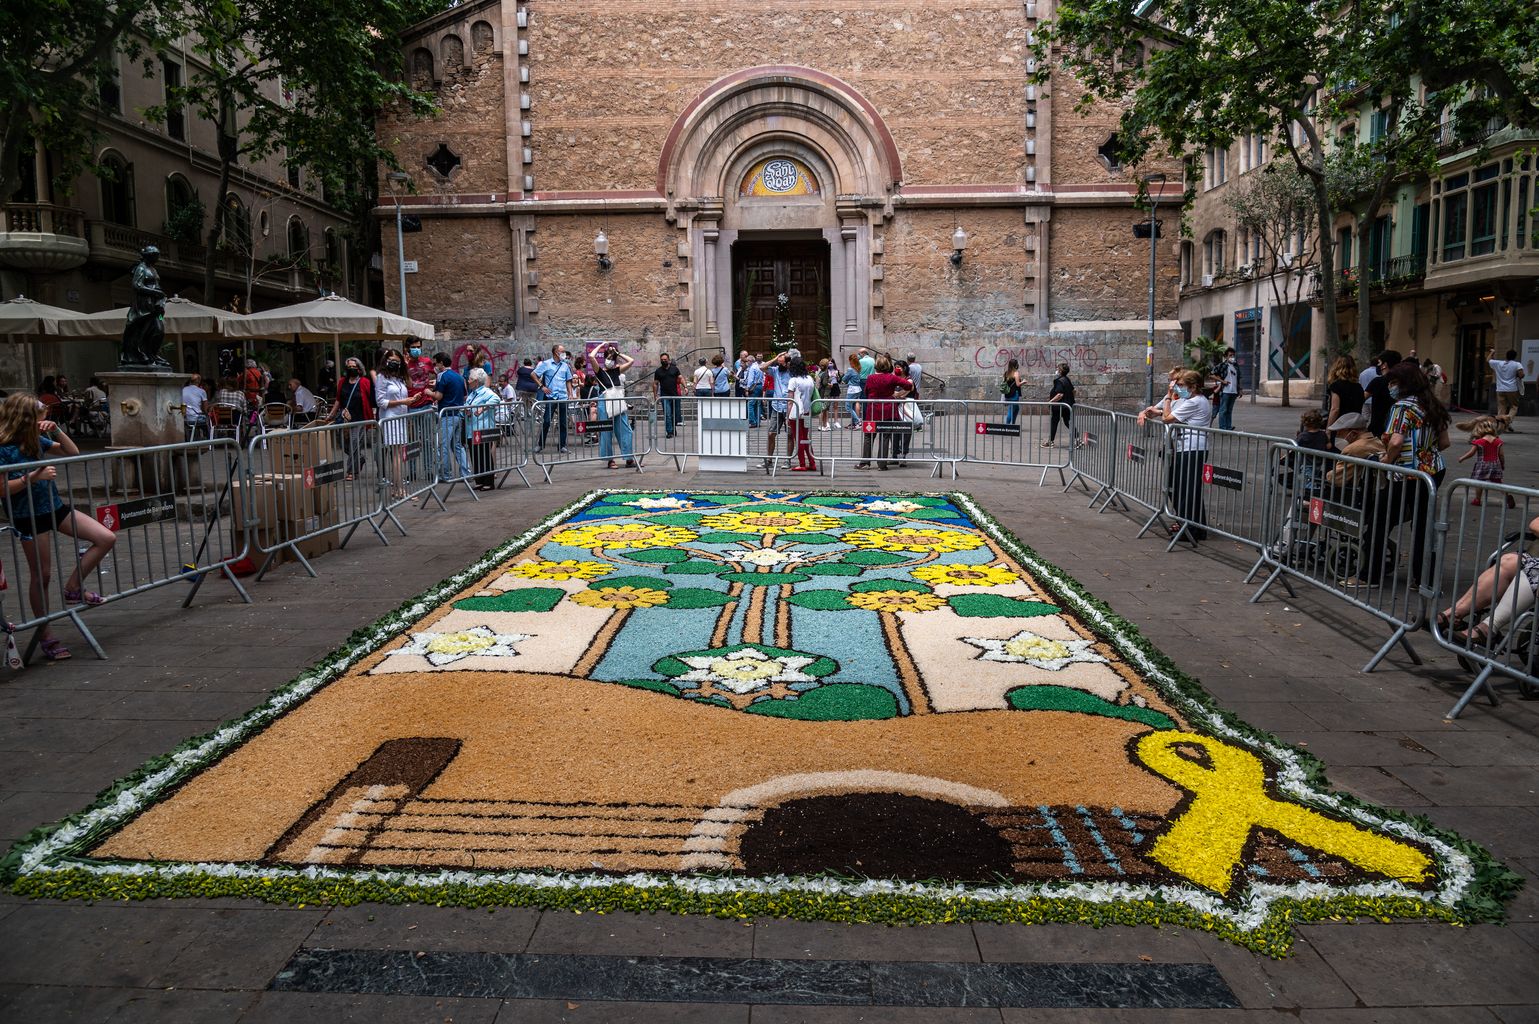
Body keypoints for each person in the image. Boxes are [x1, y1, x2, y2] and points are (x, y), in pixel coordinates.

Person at [0, 394, 117, 660]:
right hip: (27, 515)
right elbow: (2, 489)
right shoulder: (4, 447)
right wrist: (34, 476)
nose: (45, 419)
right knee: (42, 575)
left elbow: (72, 452)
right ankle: (46, 634)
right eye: (42, 416)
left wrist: (58, 430)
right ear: (26, 418)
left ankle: (74, 587)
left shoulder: (36, 440)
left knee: (105, 537)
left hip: (54, 507)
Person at [1370, 361, 1450, 588]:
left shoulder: (1402, 407)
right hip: (1434, 470)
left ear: (1404, 384)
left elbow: (1395, 441)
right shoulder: (1433, 405)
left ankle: (1371, 573)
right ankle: (1423, 577)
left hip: (1406, 473)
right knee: (1424, 525)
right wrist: (1424, 451)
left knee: (1380, 520)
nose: (1390, 387)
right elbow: (1444, 442)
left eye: (1393, 382)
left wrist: (1387, 460)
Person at [1160, 369, 1212, 541]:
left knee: (1187, 488)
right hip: (1188, 448)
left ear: (1193, 386)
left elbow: (1167, 418)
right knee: (1187, 487)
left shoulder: (1195, 402)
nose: (1178, 389)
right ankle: (1198, 527)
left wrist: (1168, 397)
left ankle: (1190, 527)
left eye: (1181, 385)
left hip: (1192, 448)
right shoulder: (1195, 400)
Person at [322, 356, 376, 480]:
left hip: (360, 418)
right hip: (344, 418)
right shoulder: (342, 381)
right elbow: (338, 400)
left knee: (354, 444)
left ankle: (352, 471)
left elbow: (371, 400)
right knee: (344, 444)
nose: (351, 369)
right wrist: (331, 415)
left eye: (354, 367)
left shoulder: (365, 382)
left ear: (359, 369)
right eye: (349, 367)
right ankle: (360, 459)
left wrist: (373, 415)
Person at [856, 354, 909, 470]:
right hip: (888, 411)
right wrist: (896, 394)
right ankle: (882, 464)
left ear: (876, 366)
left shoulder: (870, 378)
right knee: (885, 437)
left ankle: (865, 462)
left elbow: (866, 391)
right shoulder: (892, 378)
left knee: (868, 436)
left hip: (872, 411)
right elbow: (908, 385)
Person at [424, 352, 470, 483]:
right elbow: (464, 395)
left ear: (441, 363)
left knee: (443, 445)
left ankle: (446, 474)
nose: (435, 366)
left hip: (446, 414)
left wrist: (429, 392)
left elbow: (438, 396)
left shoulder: (441, 376)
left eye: (436, 363)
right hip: (457, 414)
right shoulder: (459, 376)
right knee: (457, 445)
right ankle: (465, 472)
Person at [373, 351, 412, 499]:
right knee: (396, 455)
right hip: (390, 419)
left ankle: (397, 488)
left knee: (399, 454)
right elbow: (380, 402)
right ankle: (398, 488)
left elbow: (410, 384)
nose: (393, 362)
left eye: (396, 360)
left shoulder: (398, 378)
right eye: (390, 360)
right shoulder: (382, 377)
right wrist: (403, 402)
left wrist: (405, 368)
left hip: (401, 417)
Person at [591, 345, 636, 469]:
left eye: (612, 358)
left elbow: (631, 361)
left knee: (626, 430)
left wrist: (618, 353)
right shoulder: (599, 372)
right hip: (604, 402)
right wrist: (601, 345)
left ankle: (629, 458)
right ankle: (610, 460)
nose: (611, 359)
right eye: (609, 357)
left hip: (617, 400)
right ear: (605, 359)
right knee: (606, 431)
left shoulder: (617, 371)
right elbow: (591, 356)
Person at [1456, 416, 1514, 507]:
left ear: (1480, 430)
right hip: (1496, 465)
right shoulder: (1498, 441)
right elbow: (1501, 455)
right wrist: (1502, 464)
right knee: (1498, 482)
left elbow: (1471, 453)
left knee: (1479, 482)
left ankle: (1477, 499)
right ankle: (1507, 496)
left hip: (1482, 465)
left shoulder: (1479, 441)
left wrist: (1462, 458)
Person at [464, 367, 501, 489]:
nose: (468, 381)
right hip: (471, 428)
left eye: (470, 379)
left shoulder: (486, 392)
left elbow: (496, 399)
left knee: (484, 455)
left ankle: (488, 481)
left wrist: (483, 407)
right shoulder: (472, 394)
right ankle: (479, 480)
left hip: (482, 428)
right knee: (475, 455)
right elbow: (466, 406)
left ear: (476, 381)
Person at [534, 344, 574, 453]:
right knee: (546, 420)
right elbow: (533, 374)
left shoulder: (565, 366)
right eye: (562, 351)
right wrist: (542, 387)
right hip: (551, 397)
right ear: (556, 352)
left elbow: (568, 380)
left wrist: (570, 394)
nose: (564, 353)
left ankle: (562, 445)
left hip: (562, 397)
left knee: (563, 422)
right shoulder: (546, 364)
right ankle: (540, 444)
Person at [785, 355, 818, 472]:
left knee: (798, 438)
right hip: (807, 412)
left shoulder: (793, 380)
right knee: (806, 438)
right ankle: (812, 462)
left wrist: (787, 416)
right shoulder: (809, 378)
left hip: (796, 413)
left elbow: (790, 401)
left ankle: (802, 464)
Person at [760, 353, 790, 470]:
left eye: (781, 361)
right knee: (771, 433)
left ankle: (787, 460)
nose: (779, 363)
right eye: (778, 361)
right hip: (777, 407)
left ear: (787, 362)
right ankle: (769, 460)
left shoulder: (792, 372)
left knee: (790, 435)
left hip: (789, 406)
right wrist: (775, 358)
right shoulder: (775, 370)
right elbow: (762, 367)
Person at [1363, 349, 1402, 438]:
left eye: (1379, 363)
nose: (1378, 365)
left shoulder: (1377, 382)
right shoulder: (1403, 382)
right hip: (1396, 428)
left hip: (1377, 428)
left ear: (1385, 365)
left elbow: (1362, 398)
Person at [1325, 355, 1365, 432]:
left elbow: (1335, 409)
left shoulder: (1336, 386)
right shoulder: (1358, 387)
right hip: (1355, 425)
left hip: (1340, 426)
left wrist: (1328, 429)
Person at [1490, 349, 1526, 430]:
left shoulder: (1498, 363)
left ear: (1506, 355)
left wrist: (1492, 353)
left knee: (1501, 407)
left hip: (1500, 389)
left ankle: (1499, 425)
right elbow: (1521, 375)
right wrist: (1519, 375)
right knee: (1514, 406)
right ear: (1515, 357)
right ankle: (1507, 422)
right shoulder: (1517, 364)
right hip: (1512, 389)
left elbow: (1489, 360)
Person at [1044, 362, 1075, 448]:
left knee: (1054, 422)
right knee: (1067, 422)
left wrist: (1050, 401)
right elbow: (1073, 391)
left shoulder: (1059, 381)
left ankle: (1051, 442)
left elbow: (1060, 394)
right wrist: (1070, 399)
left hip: (1059, 406)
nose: (1056, 370)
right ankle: (1077, 439)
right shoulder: (1067, 379)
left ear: (1060, 371)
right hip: (1067, 405)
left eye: (1058, 369)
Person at [653, 351, 682, 438]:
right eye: (662, 360)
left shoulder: (675, 369)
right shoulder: (658, 371)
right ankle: (669, 432)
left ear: (669, 360)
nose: (663, 361)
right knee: (668, 414)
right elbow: (655, 383)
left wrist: (684, 386)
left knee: (675, 414)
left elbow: (680, 378)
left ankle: (673, 428)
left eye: (665, 359)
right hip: (664, 396)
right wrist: (655, 395)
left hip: (674, 395)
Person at [1213, 347, 1240, 430]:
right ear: (1226, 356)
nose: (1232, 357)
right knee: (1223, 410)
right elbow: (1212, 374)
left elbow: (1238, 378)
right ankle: (1222, 427)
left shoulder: (1235, 366)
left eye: (1233, 355)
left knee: (1229, 410)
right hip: (1225, 391)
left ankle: (1228, 426)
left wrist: (1240, 390)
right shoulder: (1222, 365)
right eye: (1230, 355)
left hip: (1234, 391)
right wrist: (1222, 381)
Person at [403, 340, 436, 410]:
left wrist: (436, 383)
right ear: (407, 349)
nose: (416, 349)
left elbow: (437, 373)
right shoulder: (403, 364)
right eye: (413, 347)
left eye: (418, 347)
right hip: (412, 404)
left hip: (427, 402)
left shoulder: (427, 361)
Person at [842, 352, 864, 429]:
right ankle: (854, 423)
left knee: (848, 407)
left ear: (851, 361)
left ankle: (858, 422)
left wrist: (843, 379)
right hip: (858, 389)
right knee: (853, 406)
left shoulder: (850, 370)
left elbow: (844, 379)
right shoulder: (858, 368)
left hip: (852, 390)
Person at [817, 358, 840, 430]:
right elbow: (824, 383)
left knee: (824, 409)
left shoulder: (820, 373)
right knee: (824, 409)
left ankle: (824, 425)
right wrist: (829, 385)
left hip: (821, 392)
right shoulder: (825, 373)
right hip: (825, 393)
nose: (830, 364)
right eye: (829, 363)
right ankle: (822, 425)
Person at [742, 354, 764, 428]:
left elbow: (750, 380)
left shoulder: (752, 368)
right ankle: (758, 421)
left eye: (747, 361)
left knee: (750, 405)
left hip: (754, 387)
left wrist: (747, 389)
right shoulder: (759, 367)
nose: (746, 363)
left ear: (750, 361)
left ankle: (752, 421)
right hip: (760, 386)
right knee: (758, 404)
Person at [1000, 358, 1022, 425]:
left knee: (1016, 409)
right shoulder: (1016, 373)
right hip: (1014, 395)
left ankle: (1013, 424)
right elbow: (1018, 384)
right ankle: (1007, 426)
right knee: (1011, 410)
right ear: (1016, 365)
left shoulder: (1006, 373)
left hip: (1008, 394)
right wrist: (1023, 382)